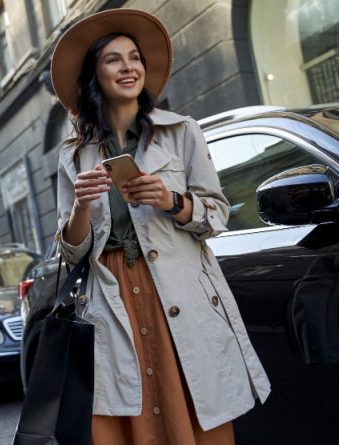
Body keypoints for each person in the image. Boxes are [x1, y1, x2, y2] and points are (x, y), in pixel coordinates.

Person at [51, 9, 271, 444]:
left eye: (134, 57)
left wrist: (171, 201)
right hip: (112, 302)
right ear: (95, 74)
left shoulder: (181, 132)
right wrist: (81, 205)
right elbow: (70, 251)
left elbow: (217, 216)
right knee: (126, 414)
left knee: (190, 407)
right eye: (113, 59)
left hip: (177, 291)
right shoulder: (73, 155)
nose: (128, 66)